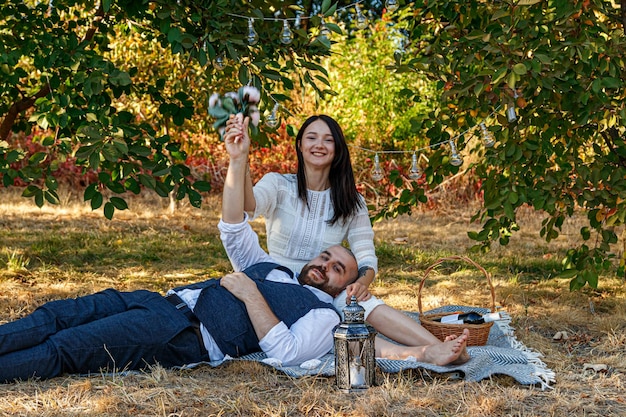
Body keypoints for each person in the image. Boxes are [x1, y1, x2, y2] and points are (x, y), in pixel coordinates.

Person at [0, 123, 360, 383]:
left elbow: (289, 353)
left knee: (65, 348)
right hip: (158, 301)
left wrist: (251, 295)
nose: (325, 265)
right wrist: (238, 160)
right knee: (55, 316)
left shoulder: (325, 315)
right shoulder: (270, 267)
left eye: (337, 268)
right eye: (325, 257)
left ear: (346, 286)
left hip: (182, 333)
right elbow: (233, 227)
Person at [226, 113, 470, 365]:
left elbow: (366, 256)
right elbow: (248, 206)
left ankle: (441, 348)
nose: (318, 145)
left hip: (325, 285)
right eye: (311, 137)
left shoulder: (351, 201)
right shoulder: (278, 184)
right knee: (335, 324)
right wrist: (241, 159)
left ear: (338, 149)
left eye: (328, 140)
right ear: (300, 145)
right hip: (278, 281)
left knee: (357, 302)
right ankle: (424, 353)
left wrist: (362, 283)